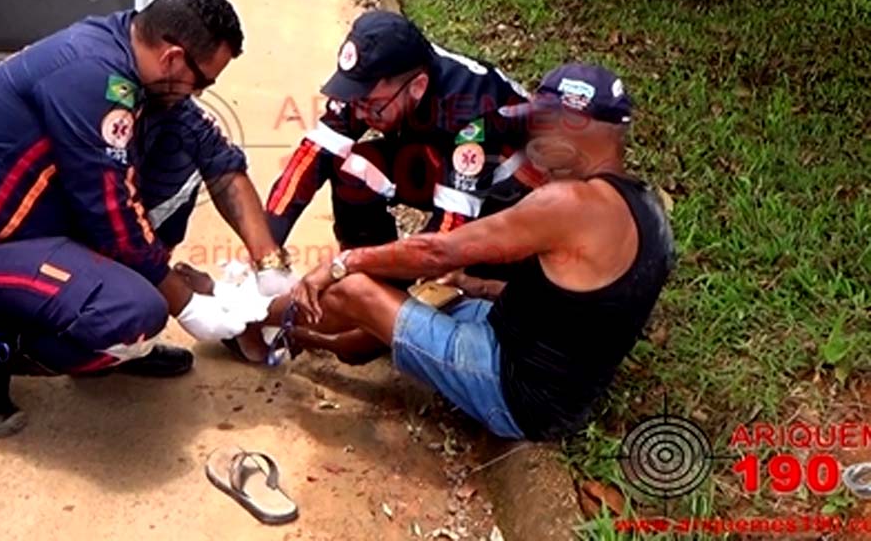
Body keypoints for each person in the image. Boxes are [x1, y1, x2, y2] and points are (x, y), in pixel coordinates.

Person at [0, 0, 292, 438]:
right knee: (133, 315)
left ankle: (111, 338)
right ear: (172, 58)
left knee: (182, 146)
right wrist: (188, 305)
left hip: (26, 228)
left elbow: (222, 164)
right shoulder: (93, 78)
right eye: (204, 80)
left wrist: (270, 268)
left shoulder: (141, 65)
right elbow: (116, 224)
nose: (202, 92)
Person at [253, 63, 675, 439]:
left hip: (516, 392)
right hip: (560, 382)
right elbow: (581, 310)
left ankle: (247, 315)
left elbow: (439, 252)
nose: (535, 134)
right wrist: (473, 284)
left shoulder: (570, 203)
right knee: (393, 317)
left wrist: (344, 263)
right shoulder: (644, 206)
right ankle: (294, 331)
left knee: (357, 289)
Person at [229, 10, 534, 362]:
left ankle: (372, 300)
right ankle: (373, 292)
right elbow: (310, 159)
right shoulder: (375, 80)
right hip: (438, 159)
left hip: (505, 200)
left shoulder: (472, 118)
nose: (358, 112)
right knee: (354, 167)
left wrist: (353, 269)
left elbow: (447, 239)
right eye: (353, 98)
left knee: (448, 285)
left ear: (417, 88)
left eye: (370, 106)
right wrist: (266, 258)